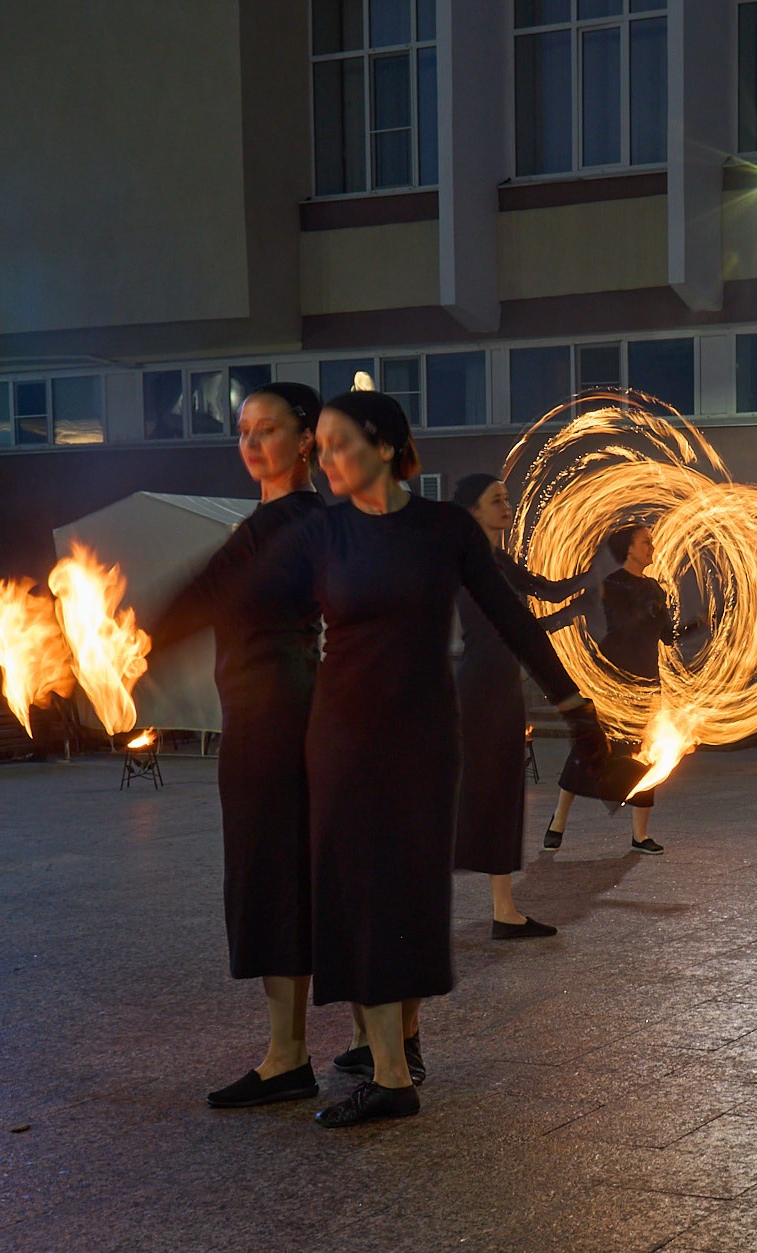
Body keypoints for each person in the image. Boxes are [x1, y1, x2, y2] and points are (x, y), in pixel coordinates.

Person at [269, 389, 608, 1128]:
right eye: (318, 446)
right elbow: (252, 609)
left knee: (394, 896)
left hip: (416, 740)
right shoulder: (325, 532)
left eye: (340, 443)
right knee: (361, 896)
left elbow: (513, 615)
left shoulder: (441, 530)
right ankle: (386, 1057)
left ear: (387, 446)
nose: (325, 458)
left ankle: (394, 1063)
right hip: (342, 738)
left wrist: (574, 702)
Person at [148, 382, 325, 1108]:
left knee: (271, 875)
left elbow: (195, 600)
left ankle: (288, 1054)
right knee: (287, 875)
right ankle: (334, 1045)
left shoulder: (283, 527)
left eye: (268, 430)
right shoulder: (303, 521)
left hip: (272, 722)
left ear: (307, 437)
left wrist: (128, 641)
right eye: (243, 430)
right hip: (280, 711)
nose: (251, 444)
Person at [450, 472, 587, 938]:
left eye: (507, 498)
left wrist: (597, 574)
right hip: (481, 686)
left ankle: (504, 911)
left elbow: (547, 593)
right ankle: (415, 894)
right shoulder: (466, 563)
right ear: (472, 512)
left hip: (504, 685)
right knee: (477, 791)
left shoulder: (503, 562)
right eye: (496, 500)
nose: (506, 506)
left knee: (502, 792)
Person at [545, 521, 677, 854]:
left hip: (647, 683)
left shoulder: (656, 589)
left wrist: (689, 622)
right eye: (646, 542)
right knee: (589, 749)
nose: (652, 546)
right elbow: (622, 626)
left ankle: (640, 836)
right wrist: (647, 609)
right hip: (614, 679)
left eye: (652, 541)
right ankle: (557, 821)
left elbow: (667, 637)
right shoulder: (612, 585)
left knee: (645, 755)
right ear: (629, 549)